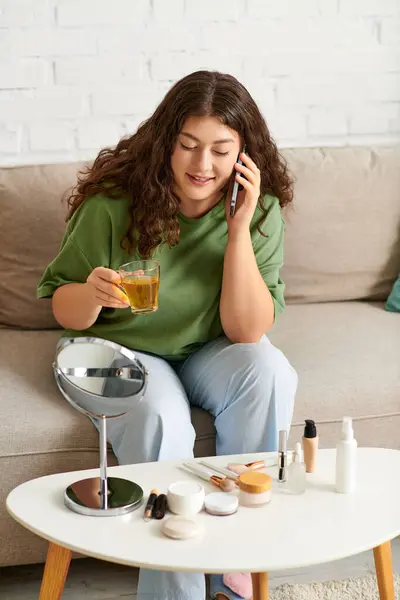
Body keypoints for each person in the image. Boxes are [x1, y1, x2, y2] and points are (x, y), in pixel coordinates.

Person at [37, 70, 298, 600]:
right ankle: (173, 593)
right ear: (166, 143)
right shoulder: (111, 204)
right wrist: (91, 291)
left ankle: (236, 568)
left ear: (245, 153)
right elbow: (64, 310)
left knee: (269, 370)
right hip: (117, 347)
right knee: (161, 416)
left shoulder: (259, 208)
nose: (203, 166)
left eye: (222, 151)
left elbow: (246, 331)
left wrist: (239, 229)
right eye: (189, 146)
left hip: (207, 350)